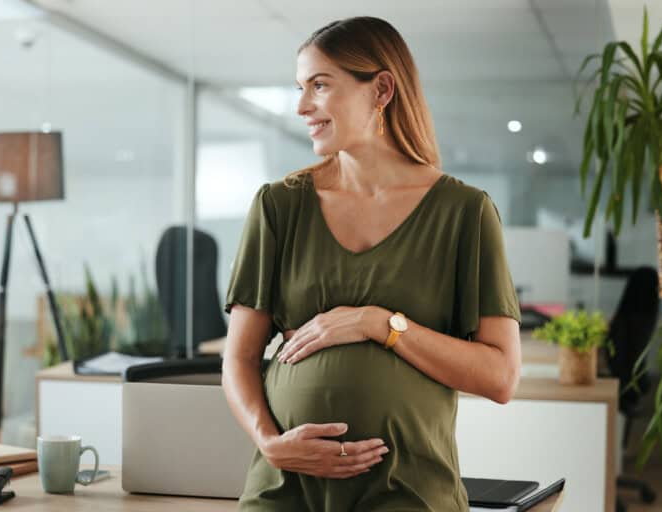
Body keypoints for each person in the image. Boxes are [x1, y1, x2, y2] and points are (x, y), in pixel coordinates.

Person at [221, 16, 521, 512]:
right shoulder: (279, 206)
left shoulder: (464, 213)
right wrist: (270, 443)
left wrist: (379, 323)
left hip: (409, 489)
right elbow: (239, 358)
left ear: (381, 90)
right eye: (301, 88)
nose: (302, 107)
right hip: (285, 487)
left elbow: (500, 376)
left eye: (320, 85)